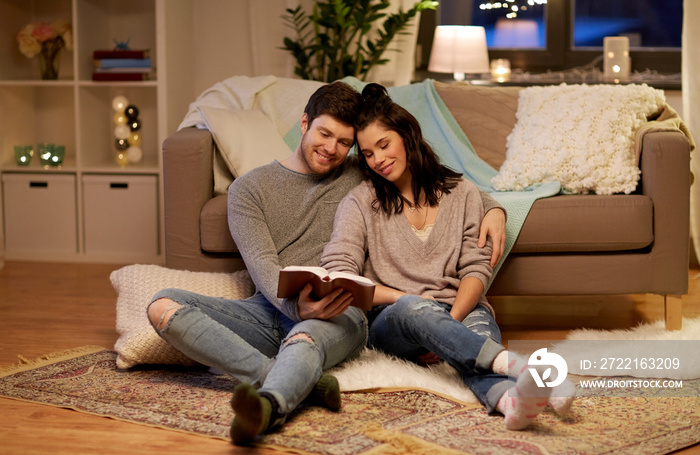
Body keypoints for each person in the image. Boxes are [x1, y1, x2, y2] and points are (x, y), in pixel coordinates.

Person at [147, 81, 507, 445]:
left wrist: (493, 208)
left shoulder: (359, 169)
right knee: (162, 304)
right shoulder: (249, 189)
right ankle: (289, 378)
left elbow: (429, 176)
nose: (331, 149)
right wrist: (295, 305)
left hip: (338, 308)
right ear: (304, 123)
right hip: (269, 309)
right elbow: (263, 268)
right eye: (324, 134)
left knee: (307, 333)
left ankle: (270, 403)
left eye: (343, 143)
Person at [320, 83, 575, 430]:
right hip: (395, 320)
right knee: (413, 308)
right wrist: (412, 305)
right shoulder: (359, 202)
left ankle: (509, 400)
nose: (377, 159)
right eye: (367, 153)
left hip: (461, 309)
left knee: (477, 339)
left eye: (384, 145)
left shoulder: (464, 193)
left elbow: (476, 269)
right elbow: (342, 276)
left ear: (407, 137)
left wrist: (446, 329)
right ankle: (521, 367)